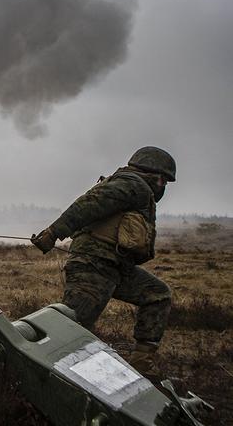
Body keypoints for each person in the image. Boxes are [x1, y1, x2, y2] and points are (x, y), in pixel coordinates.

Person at [31, 146, 176, 373]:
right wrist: (53, 233)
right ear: (156, 176)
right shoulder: (133, 185)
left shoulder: (136, 188)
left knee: (157, 295)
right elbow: (89, 205)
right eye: (164, 181)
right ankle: (32, 368)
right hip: (94, 266)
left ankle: (141, 366)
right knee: (70, 328)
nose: (164, 186)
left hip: (115, 267)